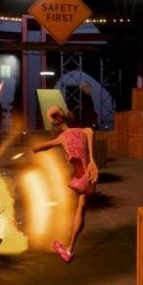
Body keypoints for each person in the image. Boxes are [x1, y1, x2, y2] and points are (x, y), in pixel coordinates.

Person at [32, 105, 99, 263]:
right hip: (90, 178)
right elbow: (90, 145)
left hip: (79, 180)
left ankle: (67, 248)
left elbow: (42, 147)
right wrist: (92, 162)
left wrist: (35, 148)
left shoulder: (62, 138)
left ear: (56, 123)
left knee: (70, 205)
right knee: (81, 208)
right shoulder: (86, 131)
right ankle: (70, 249)